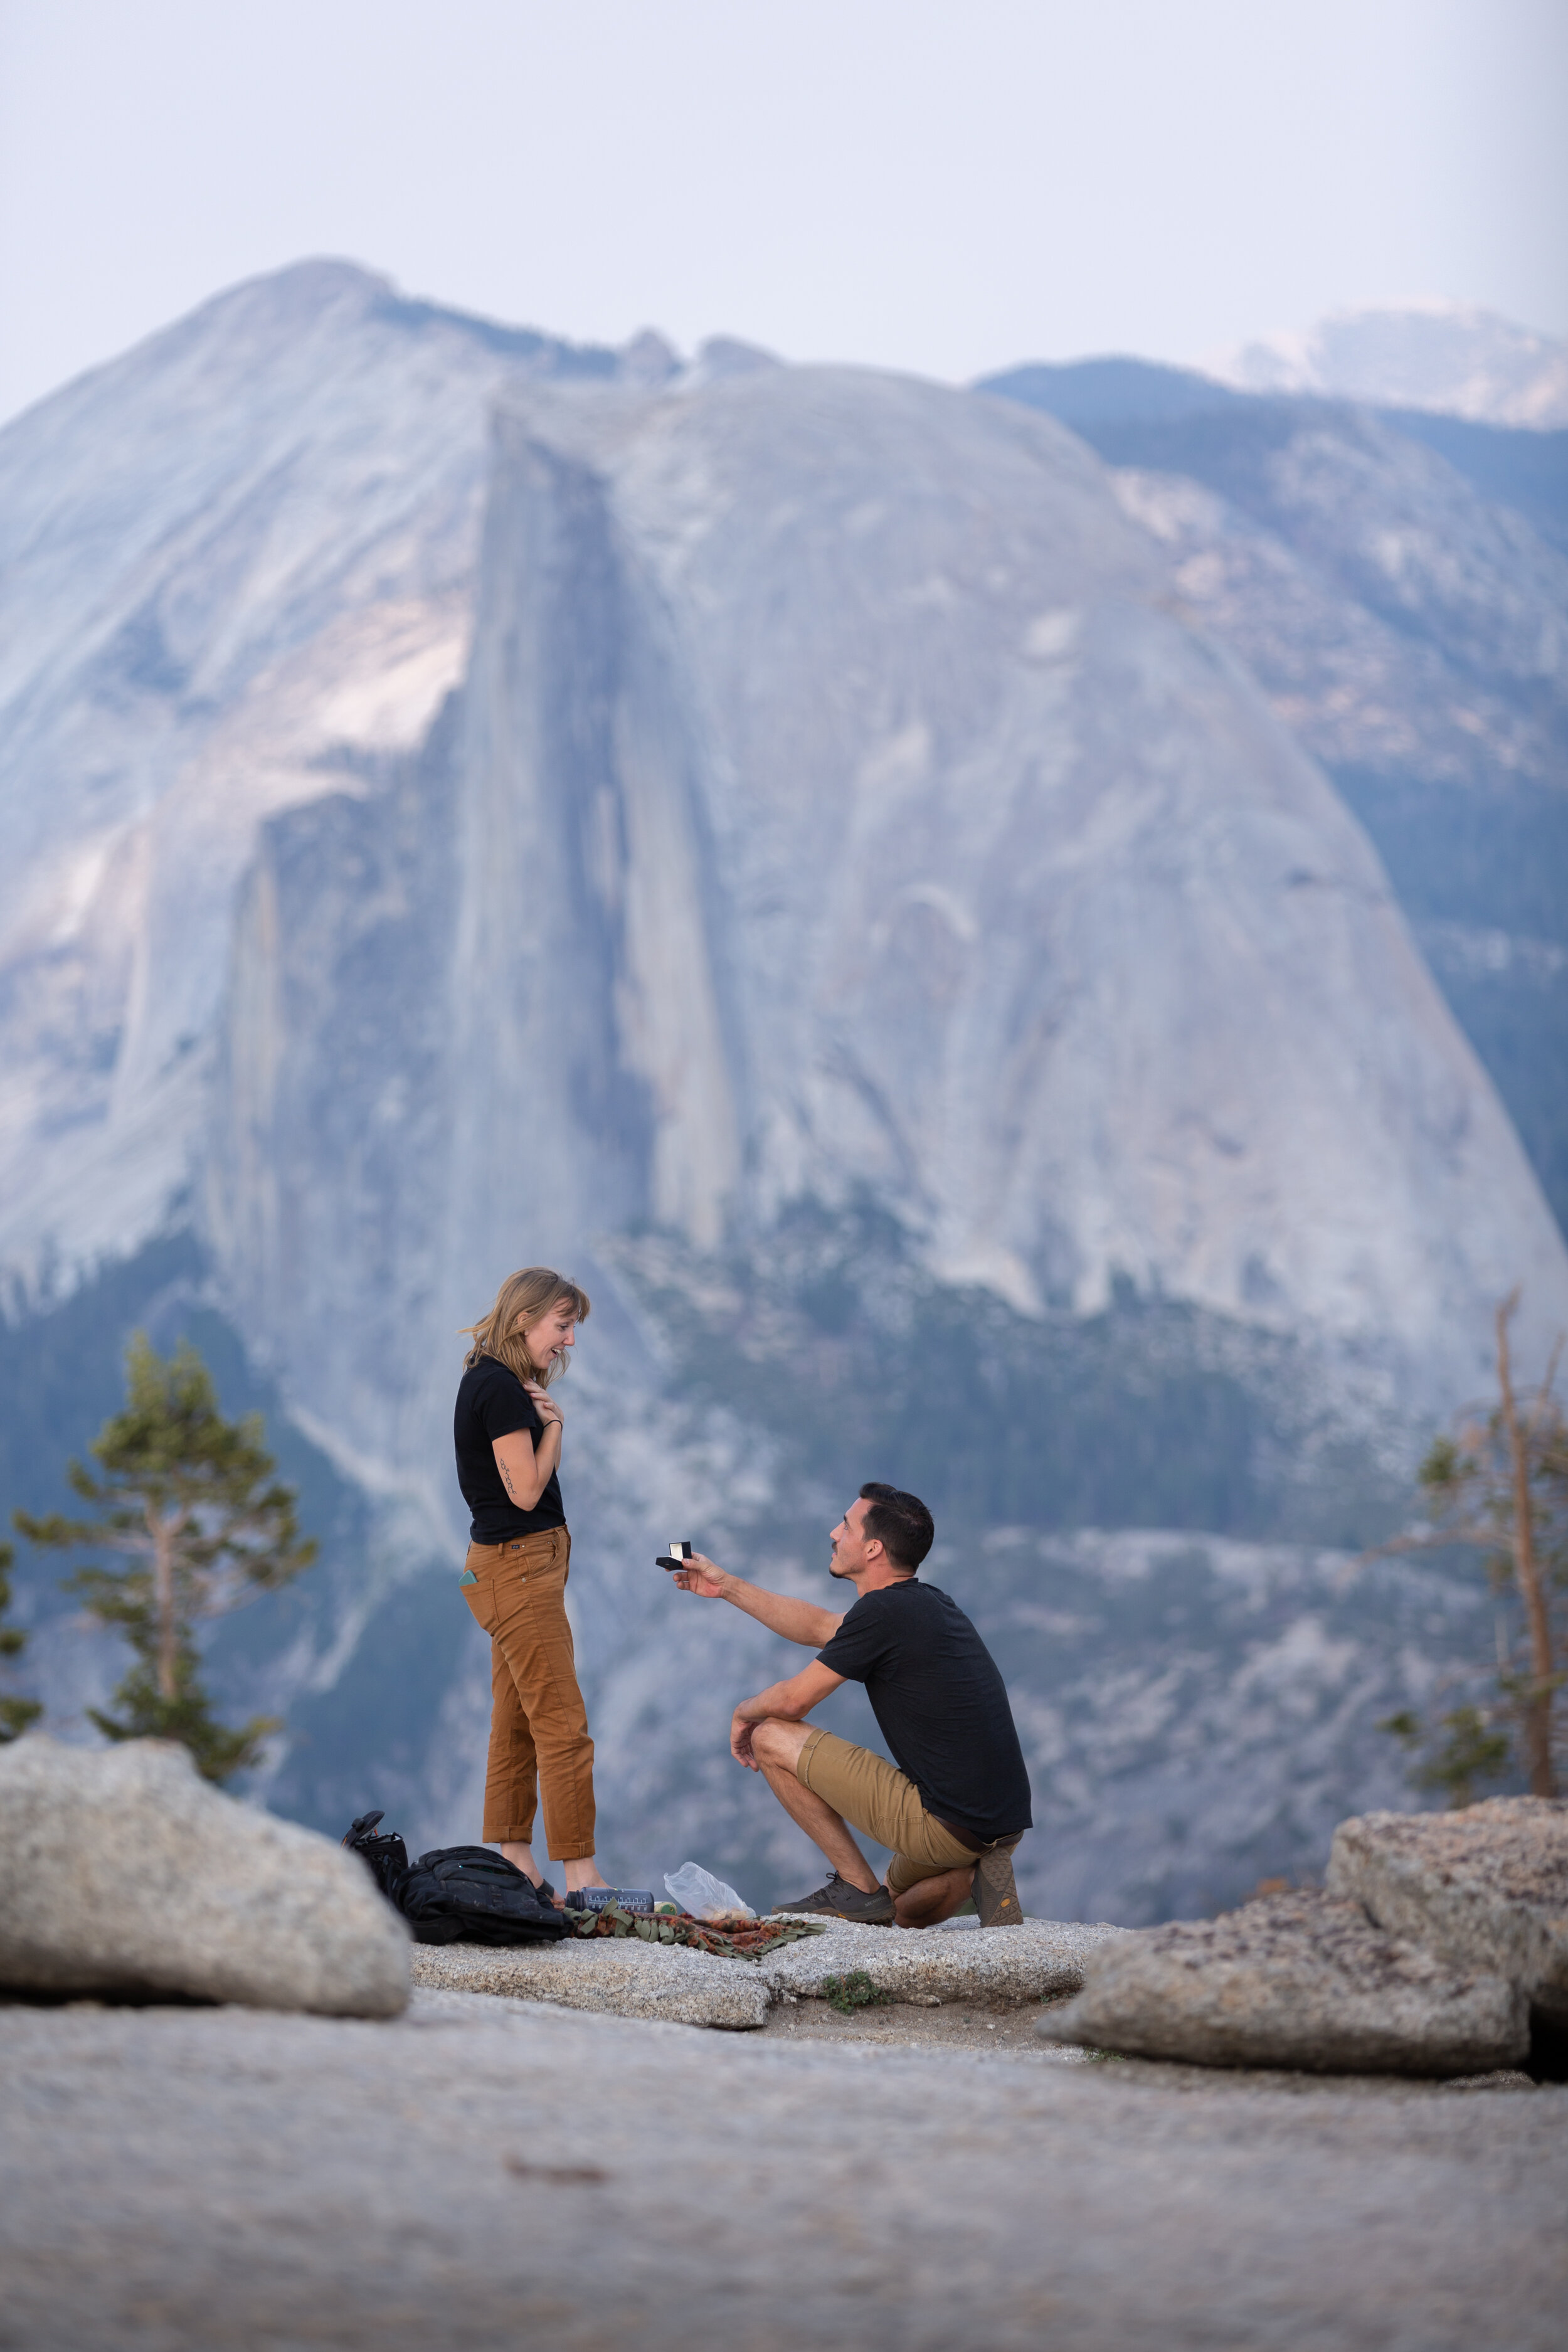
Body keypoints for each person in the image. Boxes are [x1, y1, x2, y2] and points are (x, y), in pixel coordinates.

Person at [672, 1483, 1032, 1927]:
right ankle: (976, 1868)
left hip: (945, 1825)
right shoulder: (925, 1604)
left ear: (874, 1548)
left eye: (846, 1525)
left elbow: (794, 1700)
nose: (833, 1532)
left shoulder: (882, 1614)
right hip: (996, 1825)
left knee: (769, 1736)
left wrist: (745, 1712)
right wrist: (725, 1586)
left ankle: (856, 1887)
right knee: (899, 1910)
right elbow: (820, 1625)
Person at [453, 1266, 610, 1907]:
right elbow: (525, 1490)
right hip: (519, 1566)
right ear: (525, 1319)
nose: (568, 1341)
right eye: (562, 1325)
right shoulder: (501, 1390)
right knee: (562, 1723)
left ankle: (516, 1862)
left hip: (501, 1568)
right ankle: (582, 1877)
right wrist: (555, 1430)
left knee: (516, 1718)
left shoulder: (488, 1381)